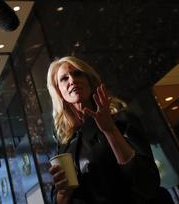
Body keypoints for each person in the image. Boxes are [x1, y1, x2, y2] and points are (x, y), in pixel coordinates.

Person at [46, 56, 160, 204]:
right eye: (64, 79)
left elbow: (147, 184)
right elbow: (58, 199)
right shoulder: (65, 143)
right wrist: (62, 193)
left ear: (89, 80)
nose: (72, 81)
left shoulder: (121, 121)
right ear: (59, 91)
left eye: (77, 74)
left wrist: (110, 130)